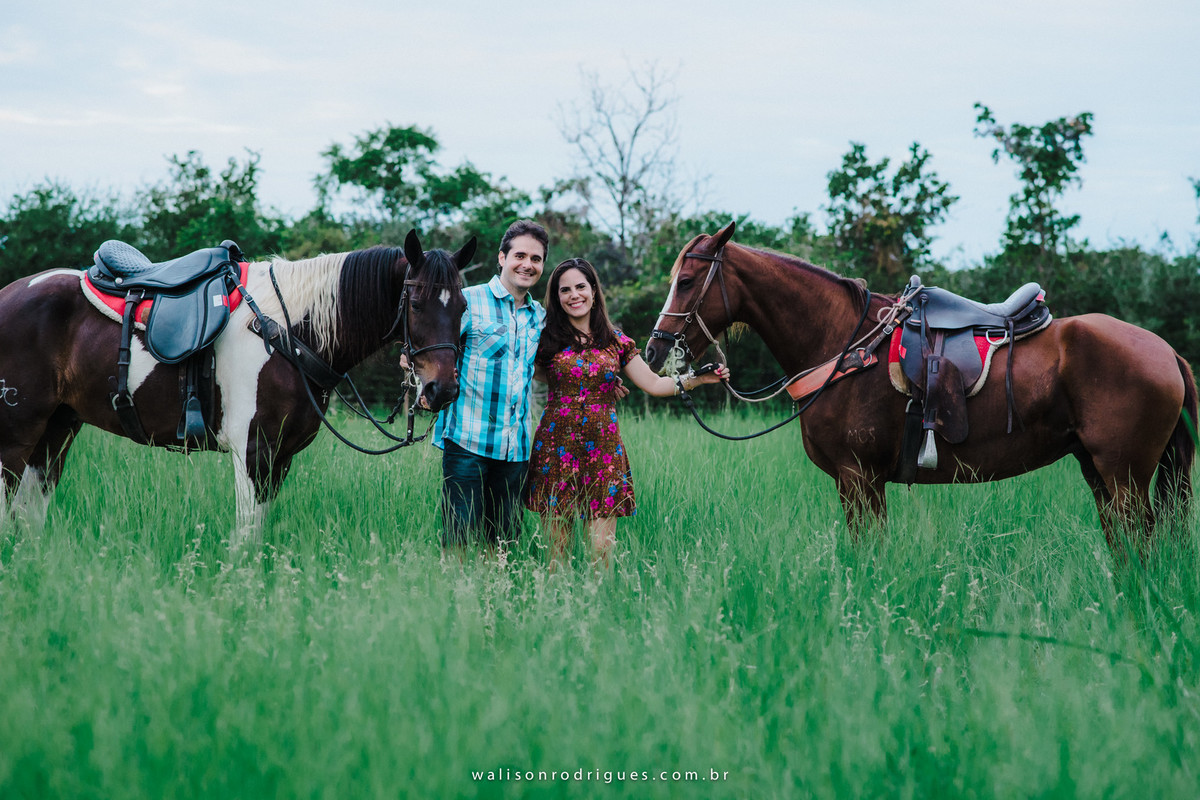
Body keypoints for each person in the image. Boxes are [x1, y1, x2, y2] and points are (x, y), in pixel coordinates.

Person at [525, 257, 728, 571]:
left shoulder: (616, 341)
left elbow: (654, 383)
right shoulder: (545, 339)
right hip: (556, 447)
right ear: (557, 297)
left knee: (601, 550)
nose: (573, 295)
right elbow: (530, 372)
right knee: (557, 552)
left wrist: (697, 378)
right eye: (565, 290)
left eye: (581, 286)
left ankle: (598, 612)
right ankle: (557, 609)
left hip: (603, 449)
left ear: (593, 291)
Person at [433, 220, 549, 558]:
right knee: (459, 537)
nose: (527, 264)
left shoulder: (538, 316)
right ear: (502, 257)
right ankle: (454, 601)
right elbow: (434, 347)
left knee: (505, 543)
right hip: (468, 442)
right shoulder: (467, 302)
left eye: (536, 259)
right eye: (520, 255)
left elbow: (548, 367)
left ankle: (497, 604)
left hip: (515, 449)